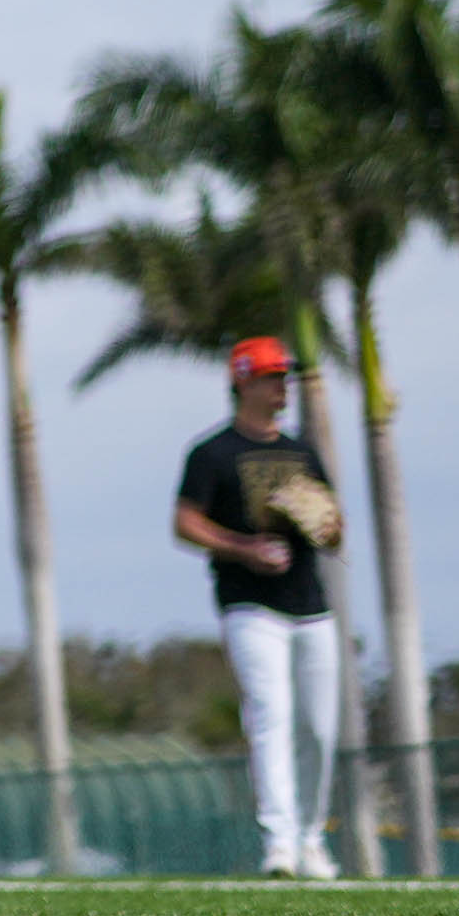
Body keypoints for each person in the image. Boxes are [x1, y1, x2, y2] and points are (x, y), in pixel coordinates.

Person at [176, 332, 345, 880]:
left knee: (319, 727)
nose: (282, 386)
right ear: (243, 380)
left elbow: (335, 532)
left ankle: (312, 837)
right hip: (250, 606)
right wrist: (243, 547)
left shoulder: (302, 453)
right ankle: (280, 844)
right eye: (273, 376)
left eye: (284, 376)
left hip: (310, 604)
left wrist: (325, 523)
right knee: (271, 715)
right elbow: (186, 521)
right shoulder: (212, 453)